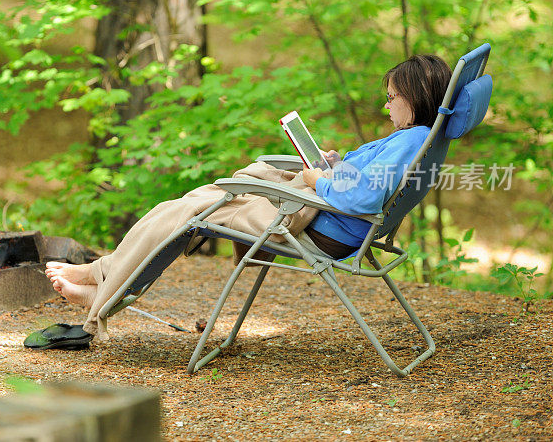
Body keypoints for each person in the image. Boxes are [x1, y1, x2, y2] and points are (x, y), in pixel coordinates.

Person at [44, 54, 452, 339]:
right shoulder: (418, 139)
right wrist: (332, 165)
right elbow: (368, 186)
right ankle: (103, 275)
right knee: (194, 202)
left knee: (190, 210)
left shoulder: (409, 139)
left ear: (415, 99)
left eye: (392, 97)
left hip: (318, 223)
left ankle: (103, 289)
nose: (386, 105)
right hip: (327, 217)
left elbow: (363, 198)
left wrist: (316, 181)